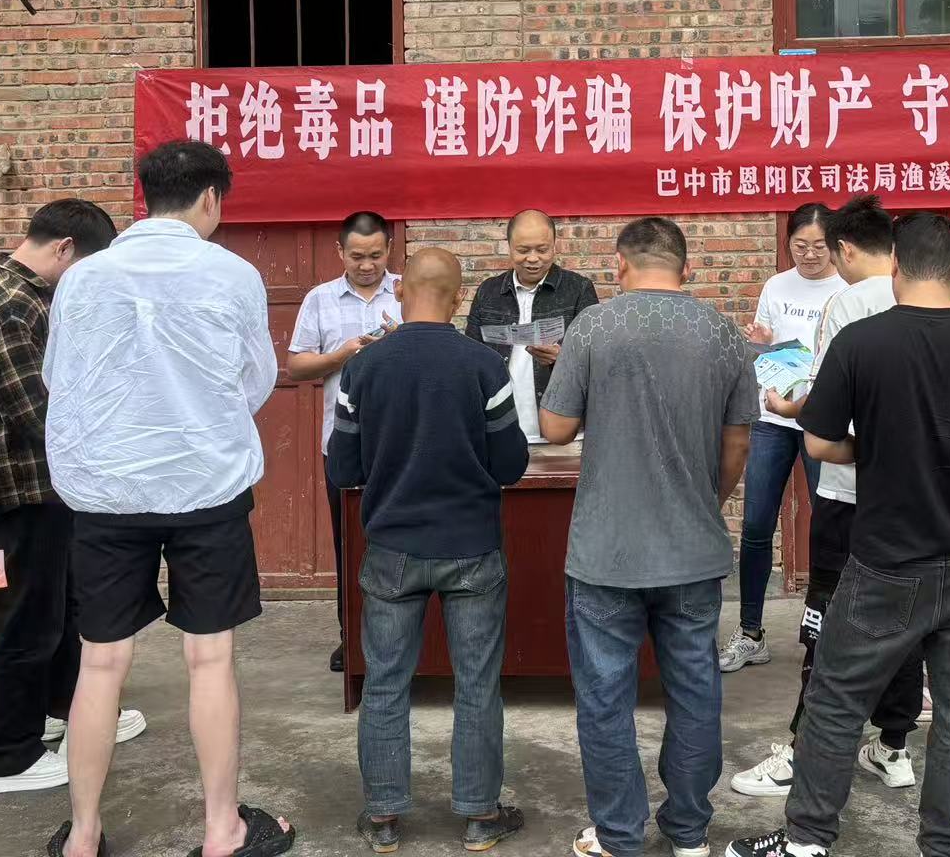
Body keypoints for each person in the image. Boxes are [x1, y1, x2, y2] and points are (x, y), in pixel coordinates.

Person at [727, 212, 950, 857]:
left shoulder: (861, 342)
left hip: (886, 557)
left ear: (896, 267)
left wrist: (874, 452)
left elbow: (820, 443)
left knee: (837, 698)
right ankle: (944, 847)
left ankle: (807, 840)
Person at [41, 141, 293, 857]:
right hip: (205, 488)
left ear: (144, 195)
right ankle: (221, 829)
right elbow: (254, 381)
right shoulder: (233, 274)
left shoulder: (83, 278)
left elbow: (60, 379)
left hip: (106, 492)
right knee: (209, 658)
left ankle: (83, 835)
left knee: (100, 662)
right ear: (211, 198)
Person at [539, 217, 757, 857]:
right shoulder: (723, 332)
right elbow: (739, 444)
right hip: (692, 551)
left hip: (607, 552)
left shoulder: (592, 327)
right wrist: (705, 503)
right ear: (686, 269)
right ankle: (688, 832)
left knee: (605, 699)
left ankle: (618, 836)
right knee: (695, 693)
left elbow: (555, 429)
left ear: (620, 265)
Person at [0, 199, 146, 796]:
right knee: (28, 619)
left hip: (42, 487)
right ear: (64, 250)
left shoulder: (22, 292)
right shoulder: (12, 304)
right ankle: (2, 754)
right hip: (17, 489)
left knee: (62, 608)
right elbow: (38, 414)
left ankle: (63, 709)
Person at [328, 247, 529, 856]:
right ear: (460, 297)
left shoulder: (364, 368)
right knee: (477, 683)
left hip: (392, 546)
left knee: (386, 682)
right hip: (471, 548)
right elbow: (510, 464)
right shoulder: (484, 365)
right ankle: (481, 815)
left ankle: (384, 818)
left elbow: (343, 468)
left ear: (400, 291)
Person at [720, 203, 842, 674]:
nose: (809, 255)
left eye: (819, 246)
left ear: (835, 245)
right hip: (773, 418)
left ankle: (825, 633)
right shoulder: (776, 286)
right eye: (799, 246)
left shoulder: (845, 288)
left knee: (828, 525)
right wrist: (761, 340)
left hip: (821, 419)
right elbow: (764, 349)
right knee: (756, 525)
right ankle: (750, 632)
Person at [288, 210, 402, 673]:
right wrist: (342, 354)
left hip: (401, 443)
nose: (367, 265)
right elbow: (297, 366)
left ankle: (401, 639)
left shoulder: (407, 293)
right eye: (357, 256)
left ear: (389, 249)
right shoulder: (319, 299)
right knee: (349, 544)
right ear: (340, 252)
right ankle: (350, 637)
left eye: (375, 255)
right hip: (343, 444)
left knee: (401, 543)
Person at [466, 209, 601, 445]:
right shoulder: (488, 291)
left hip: (563, 430)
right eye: (523, 250)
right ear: (509, 247)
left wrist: (562, 358)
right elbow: (470, 358)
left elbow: (597, 360)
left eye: (542, 249)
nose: (532, 258)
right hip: (500, 429)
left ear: (555, 246)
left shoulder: (579, 289)